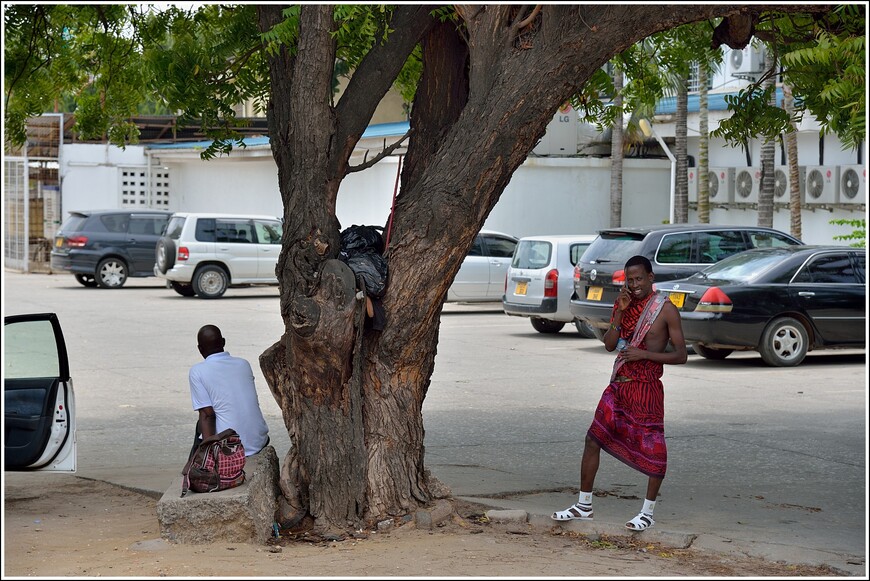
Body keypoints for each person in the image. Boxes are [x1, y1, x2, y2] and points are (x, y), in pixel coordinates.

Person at [552, 255, 687, 531]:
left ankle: (647, 512)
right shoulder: (622, 304)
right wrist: (622, 312)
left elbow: (682, 355)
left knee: (654, 451)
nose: (635, 284)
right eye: (630, 280)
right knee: (593, 439)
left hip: (647, 388)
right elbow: (610, 345)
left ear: (651, 278)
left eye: (639, 279)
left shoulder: (666, 310)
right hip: (619, 384)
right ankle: (584, 505)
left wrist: (644, 354)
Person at [188, 324, 270, 457]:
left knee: (202, 422)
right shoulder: (243, 364)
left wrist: (210, 455)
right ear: (223, 342)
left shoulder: (197, 372)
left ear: (200, 349)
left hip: (230, 448)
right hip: (258, 442)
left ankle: (202, 462)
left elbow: (208, 416)